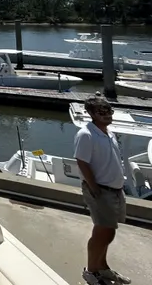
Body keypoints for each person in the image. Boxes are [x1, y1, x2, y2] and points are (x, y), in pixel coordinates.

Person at [74, 95, 131, 285]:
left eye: (109, 111)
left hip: (115, 190)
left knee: (109, 232)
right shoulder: (86, 134)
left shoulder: (109, 132)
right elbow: (82, 162)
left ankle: (103, 268)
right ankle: (91, 271)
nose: (107, 115)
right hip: (101, 191)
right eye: (102, 112)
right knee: (101, 232)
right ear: (91, 113)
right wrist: (94, 189)